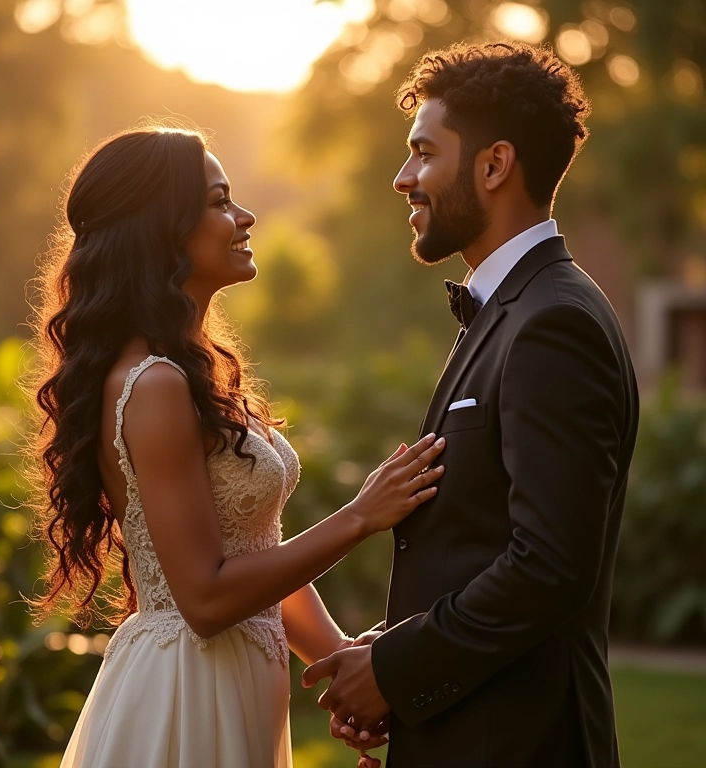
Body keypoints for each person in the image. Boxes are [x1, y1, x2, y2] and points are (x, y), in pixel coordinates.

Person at [26, 125, 447, 768]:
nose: (244, 216)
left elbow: (254, 550)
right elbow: (205, 597)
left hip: (237, 684)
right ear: (161, 229)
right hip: (185, 693)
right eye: (220, 201)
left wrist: (340, 665)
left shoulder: (189, 374)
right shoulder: (155, 385)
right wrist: (361, 516)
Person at [303, 42, 639, 768]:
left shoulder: (554, 323)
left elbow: (549, 566)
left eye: (423, 153)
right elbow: (478, 540)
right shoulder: (512, 312)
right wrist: (392, 657)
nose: (403, 178)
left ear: (493, 166)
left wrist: (395, 672)